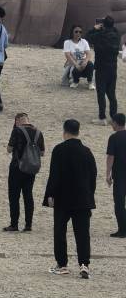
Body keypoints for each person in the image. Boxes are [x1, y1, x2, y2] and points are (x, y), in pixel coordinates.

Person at [43, 118, 96, 278]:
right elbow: (93, 175)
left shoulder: (59, 149)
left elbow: (54, 175)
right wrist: (89, 194)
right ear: (78, 131)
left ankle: (62, 264)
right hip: (82, 198)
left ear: (65, 131)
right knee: (82, 233)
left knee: (60, 231)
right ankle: (84, 264)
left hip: (63, 198)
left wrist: (50, 195)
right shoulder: (87, 151)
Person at [3, 112, 45, 233]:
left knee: (14, 196)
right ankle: (28, 225)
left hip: (17, 167)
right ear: (27, 119)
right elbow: (42, 153)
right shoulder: (38, 132)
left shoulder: (17, 130)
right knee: (28, 195)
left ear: (17, 121)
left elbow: (9, 149)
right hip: (31, 168)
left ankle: (14, 224)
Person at [86, 16, 121, 122]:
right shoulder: (116, 35)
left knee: (101, 93)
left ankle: (102, 117)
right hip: (112, 68)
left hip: (101, 68)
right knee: (111, 93)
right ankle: (113, 116)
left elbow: (87, 37)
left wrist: (95, 28)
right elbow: (114, 29)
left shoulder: (99, 35)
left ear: (103, 25)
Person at [105, 112, 126, 238]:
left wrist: (108, 174)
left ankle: (123, 230)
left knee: (119, 203)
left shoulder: (114, 138)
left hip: (120, 175)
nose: (111, 124)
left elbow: (110, 157)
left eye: (112, 122)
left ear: (117, 123)